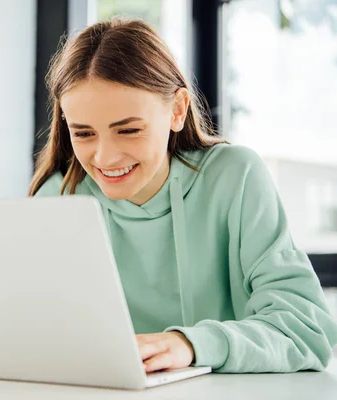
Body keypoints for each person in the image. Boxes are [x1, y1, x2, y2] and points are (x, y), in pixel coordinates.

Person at [29, 18, 337, 374]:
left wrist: (191, 345)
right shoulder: (59, 197)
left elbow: (307, 330)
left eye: (128, 130)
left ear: (177, 110)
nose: (105, 157)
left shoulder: (233, 178)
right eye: (83, 134)